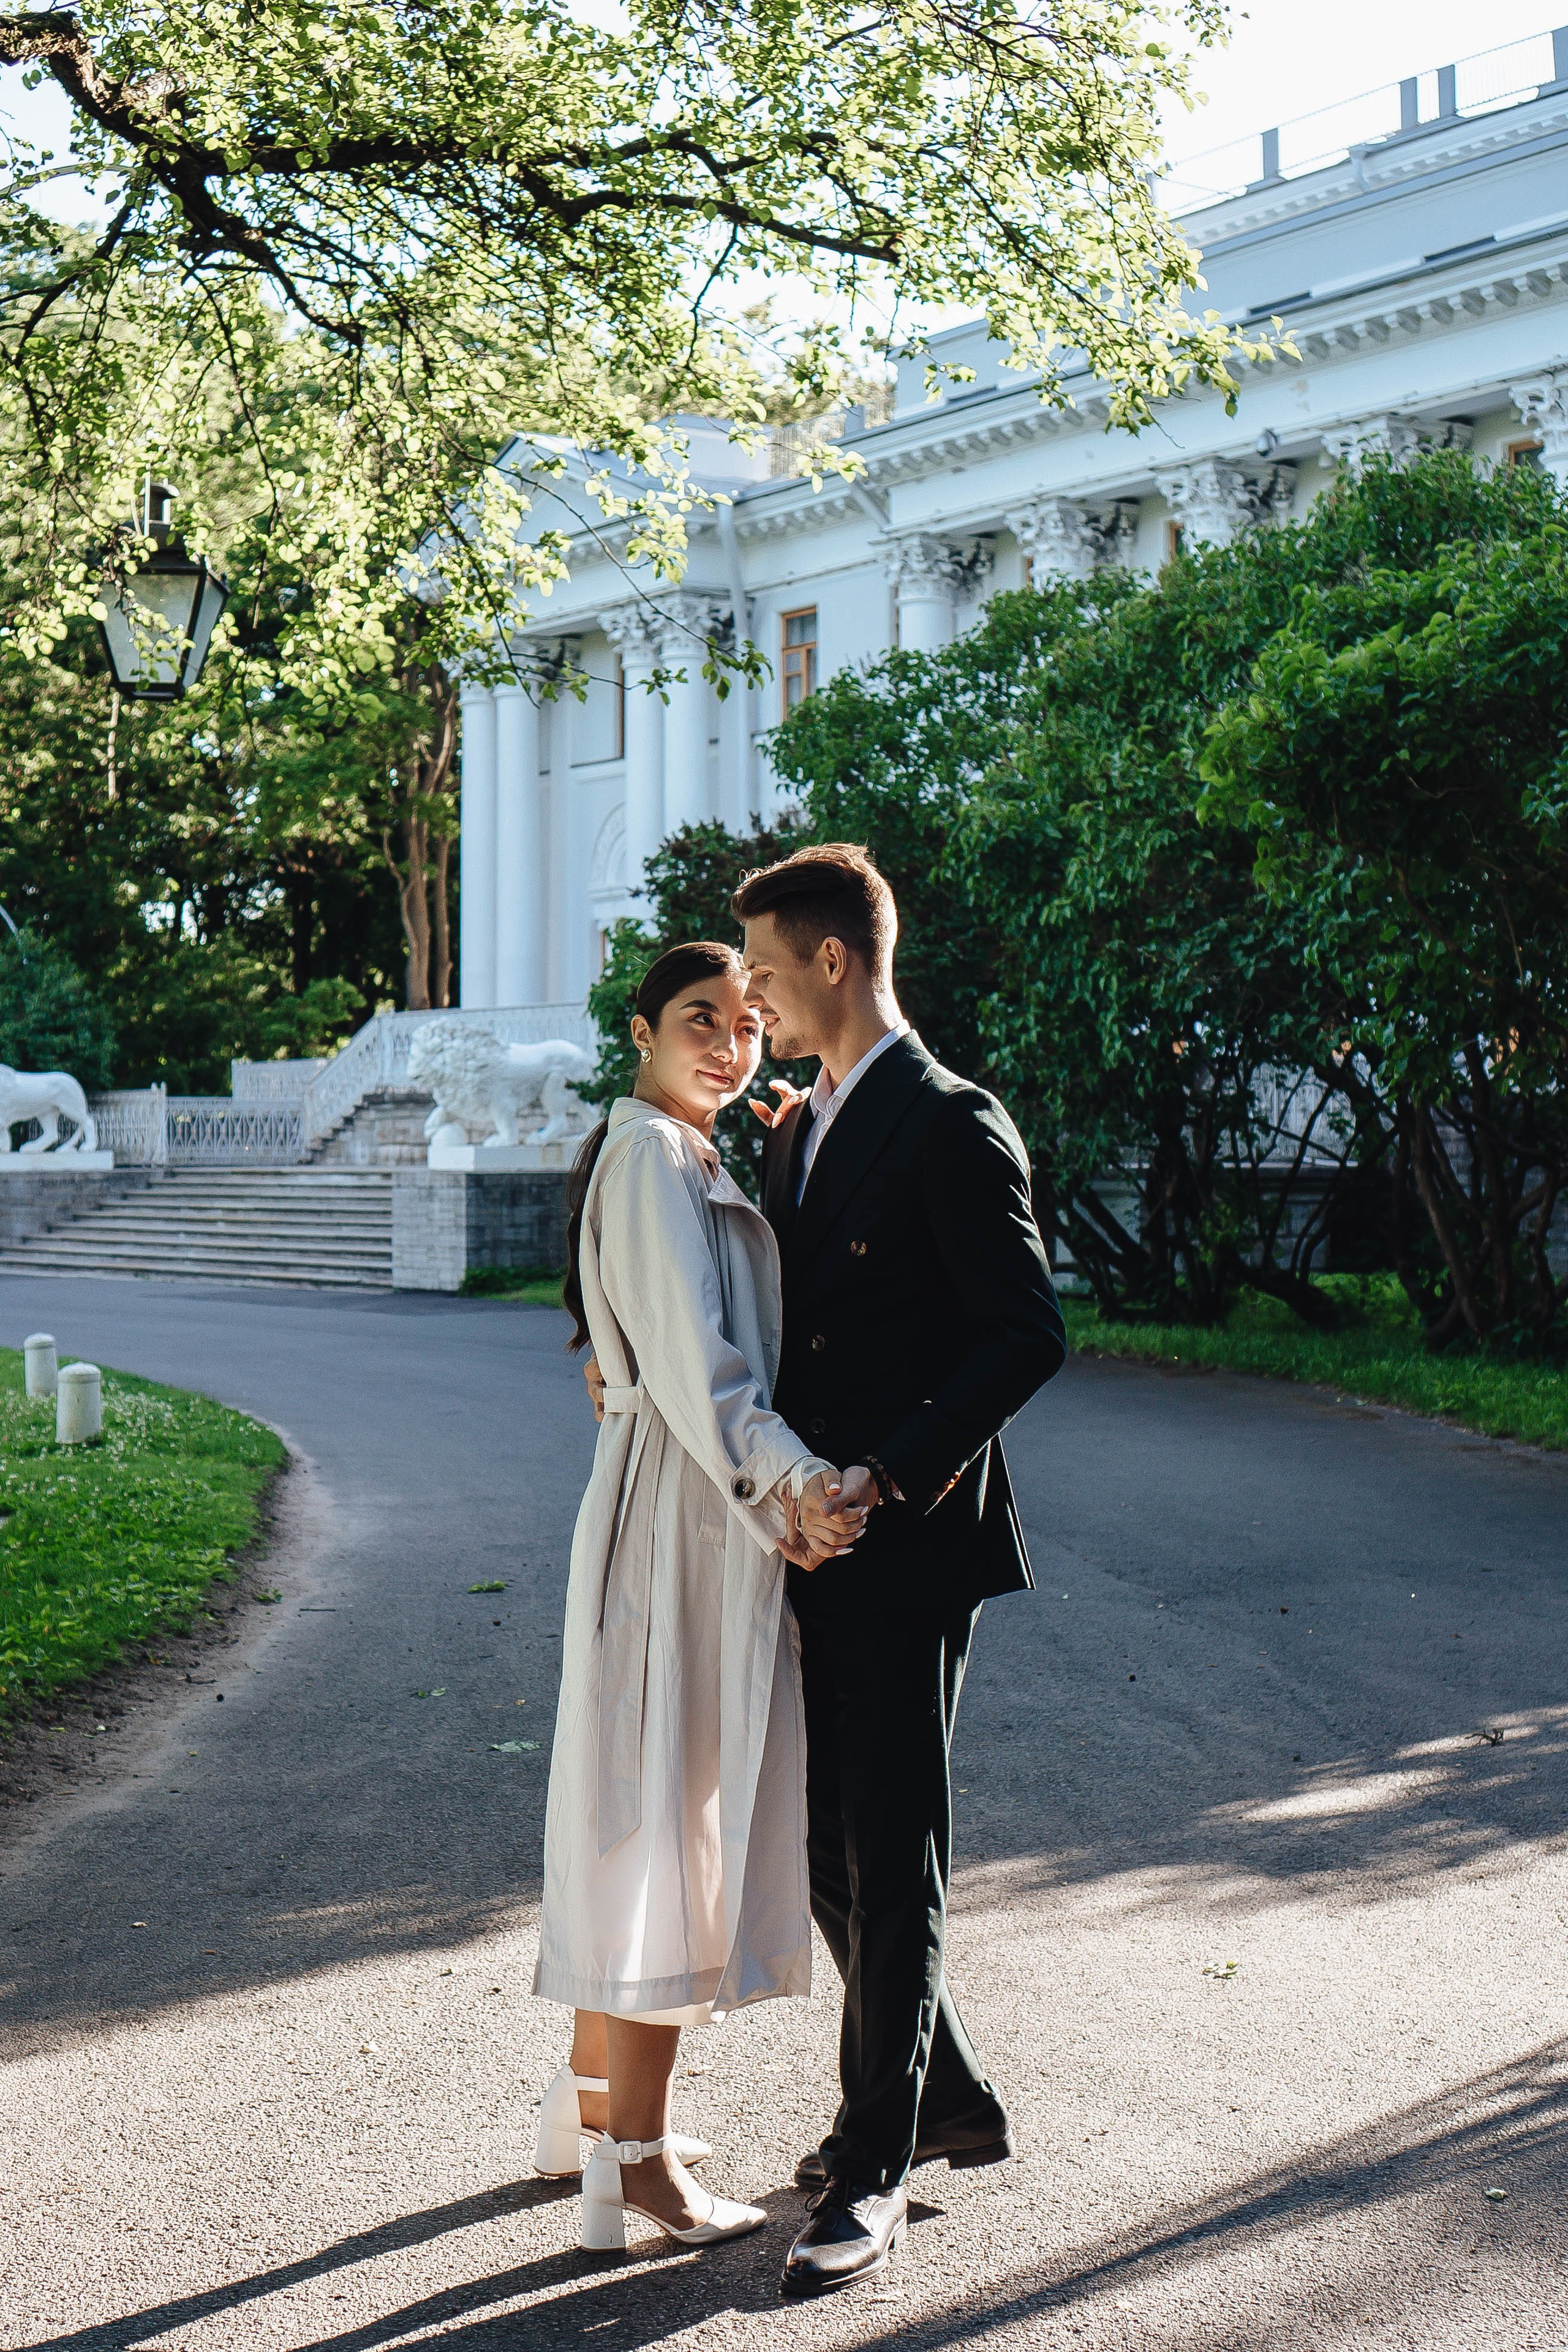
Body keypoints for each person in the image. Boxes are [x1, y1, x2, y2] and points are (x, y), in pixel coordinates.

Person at [733, 843, 1067, 2299]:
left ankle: (872, 2165)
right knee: (819, 1848)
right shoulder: (795, 1127)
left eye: (757, 968)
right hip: (808, 1534)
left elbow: (1023, 1332)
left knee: (891, 1844)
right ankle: (943, 2094)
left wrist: (897, 1466)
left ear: (824, 959)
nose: (746, 996)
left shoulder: (950, 1121)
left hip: (910, 1538)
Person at [532, 939, 864, 2256]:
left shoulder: (673, 1152)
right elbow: (701, 1371)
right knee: (668, 1828)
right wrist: (799, 1484)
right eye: (696, 1021)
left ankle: (588, 2113)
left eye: (743, 1024)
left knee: (634, 1813)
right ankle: (639, 2167)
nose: (728, 1044)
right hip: (682, 1512)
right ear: (639, 1028)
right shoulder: (656, 1161)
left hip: (668, 1508)